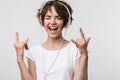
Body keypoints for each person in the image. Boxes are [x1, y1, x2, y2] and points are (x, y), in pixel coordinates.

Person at [14, 0, 90, 80]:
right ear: (42, 21)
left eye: (58, 18)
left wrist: (84, 55)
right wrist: (20, 59)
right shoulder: (33, 52)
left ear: (66, 22)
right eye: (48, 17)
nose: (52, 22)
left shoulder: (75, 50)